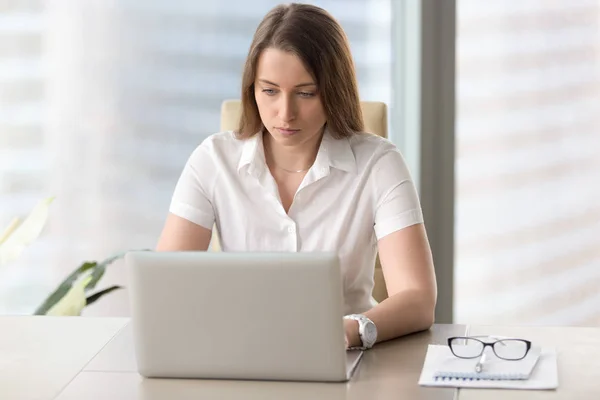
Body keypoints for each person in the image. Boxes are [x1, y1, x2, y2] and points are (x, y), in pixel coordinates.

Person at [156, 3, 437, 350]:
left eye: (306, 93)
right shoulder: (212, 161)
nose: (285, 113)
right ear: (251, 89)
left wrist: (347, 332)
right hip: (240, 353)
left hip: (346, 356)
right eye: (270, 91)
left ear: (334, 90)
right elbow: (166, 289)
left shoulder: (379, 163)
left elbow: (418, 299)